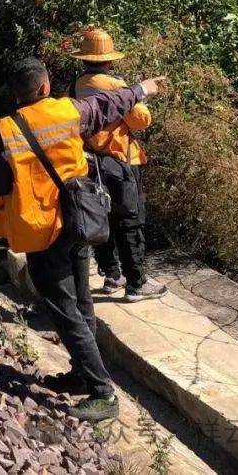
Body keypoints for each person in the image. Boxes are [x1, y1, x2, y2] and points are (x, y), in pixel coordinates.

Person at [0, 58, 168, 422]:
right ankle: (82, 375)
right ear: (45, 87)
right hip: (78, 221)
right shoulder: (69, 111)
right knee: (81, 301)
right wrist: (141, 88)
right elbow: (109, 104)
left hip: (41, 230)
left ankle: (103, 393)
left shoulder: (1, 131)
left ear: (16, 93)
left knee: (64, 309)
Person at [70, 27, 166, 302]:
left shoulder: (75, 85)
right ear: (110, 59)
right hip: (121, 161)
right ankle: (136, 283)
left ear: (83, 57)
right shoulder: (115, 86)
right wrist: (139, 95)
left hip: (90, 161)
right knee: (130, 220)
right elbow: (141, 120)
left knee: (101, 216)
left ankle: (112, 275)